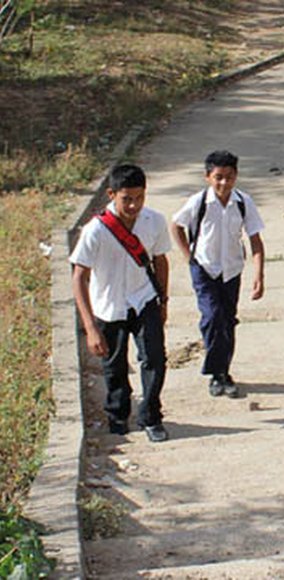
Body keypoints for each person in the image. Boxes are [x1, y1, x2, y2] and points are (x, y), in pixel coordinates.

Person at [71, 164, 172, 443]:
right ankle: (118, 415)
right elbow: (79, 277)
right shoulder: (96, 231)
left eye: (139, 198)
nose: (133, 205)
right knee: (113, 367)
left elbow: (161, 261)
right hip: (109, 306)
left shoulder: (154, 221)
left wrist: (163, 300)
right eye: (126, 198)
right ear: (112, 194)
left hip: (144, 300)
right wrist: (90, 326)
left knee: (154, 359)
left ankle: (151, 416)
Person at [170, 150, 266, 398]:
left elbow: (255, 239)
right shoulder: (198, 202)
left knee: (227, 320)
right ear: (208, 177)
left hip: (231, 270)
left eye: (230, 177)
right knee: (212, 317)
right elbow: (176, 225)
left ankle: (223, 372)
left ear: (236, 176)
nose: (224, 183)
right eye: (219, 177)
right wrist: (187, 255)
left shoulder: (243, 202)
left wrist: (259, 275)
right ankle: (216, 373)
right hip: (204, 268)